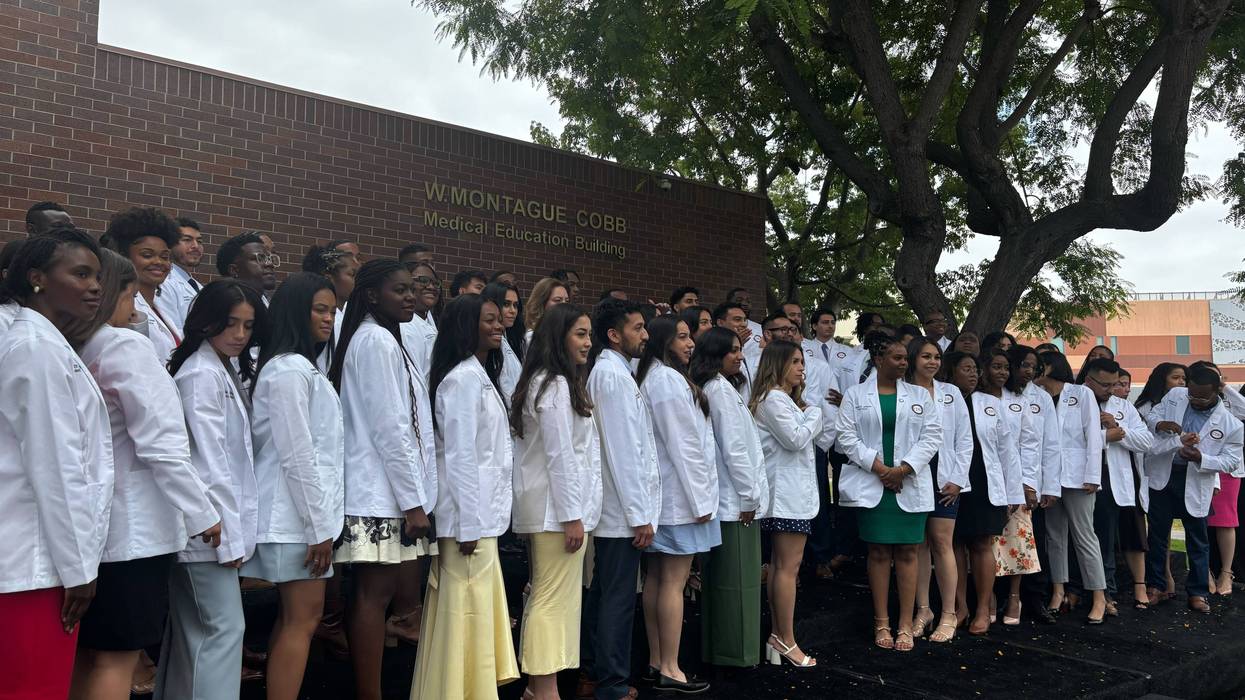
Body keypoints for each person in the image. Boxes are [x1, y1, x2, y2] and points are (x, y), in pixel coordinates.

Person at [70, 250, 221, 700]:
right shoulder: (123, 346)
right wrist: (202, 512)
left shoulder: (77, 345)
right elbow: (162, 443)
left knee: (88, 654)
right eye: (132, 296)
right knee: (117, 658)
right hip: (136, 529)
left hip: (94, 523)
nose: (136, 309)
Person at [0, 230, 111, 700]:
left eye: (98, 276)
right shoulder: (35, 348)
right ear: (37, 278)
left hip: (38, 558)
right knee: (32, 690)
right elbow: (57, 467)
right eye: (80, 274)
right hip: (35, 564)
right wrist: (79, 568)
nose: (95, 287)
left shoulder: (43, 342)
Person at [327, 261, 435, 700]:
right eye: (400, 290)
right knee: (373, 596)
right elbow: (391, 427)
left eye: (413, 289)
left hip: (384, 488)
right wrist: (413, 501)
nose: (410, 297)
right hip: (378, 491)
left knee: (377, 594)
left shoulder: (383, 337)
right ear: (372, 295)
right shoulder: (374, 340)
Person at [157, 280, 267, 700]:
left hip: (211, 526)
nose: (240, 334)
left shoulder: (218, 368)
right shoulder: (201, 374)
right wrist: (230, 536)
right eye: (230, 324)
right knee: (222, 631)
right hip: (209, 529)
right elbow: (209, 462)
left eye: (248, 326)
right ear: (206, 322)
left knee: (197, 633)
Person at [243, 273, 345, 700]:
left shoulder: (302, 367)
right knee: (302, 619)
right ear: (294, 312)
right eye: (319, 309)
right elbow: (297, 454)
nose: (328, 318)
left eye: (332, 310)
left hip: (301, 517)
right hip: (294, 519)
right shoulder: (288, 369)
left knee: (296, 620)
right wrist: (317, 527)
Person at [413, 294, 519, 697]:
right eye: (489, 319)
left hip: (480, 517)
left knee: (473, 612)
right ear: (465, 326)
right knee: (464, 613)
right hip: (466, 522)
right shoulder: (461, 380)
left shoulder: (477, 375)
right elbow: (460, 457)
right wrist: (469, 525)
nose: (499, 325)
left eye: (499, 318)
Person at [510, 303, 602, 700]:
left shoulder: (549, 382)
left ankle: (538, 689)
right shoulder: (554, 385)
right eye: (580, 334)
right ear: (557, 337)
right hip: (555, 512)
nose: (588, 342)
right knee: (550, 601)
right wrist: (572, 516)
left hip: (553, 509)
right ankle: (545, 690)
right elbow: (560, 455)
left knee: (549, 598)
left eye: (589, 334)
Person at [835, 335, 940, 651]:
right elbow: (846, 437)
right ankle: (881, 621)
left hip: (908, 483)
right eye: (897, 358)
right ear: (879, 360)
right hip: (873, 484)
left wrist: (902, 470)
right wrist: (881, 469)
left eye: (905, 358)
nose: (904, 363)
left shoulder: (919, 395)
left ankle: (905, 623)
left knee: (908, 552)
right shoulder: (855, 395)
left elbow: (932, 436)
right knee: (878, 553)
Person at [581, 299, 659, 700]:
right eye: (637, 328)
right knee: (617, 598)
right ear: (614, 335)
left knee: (604, 593)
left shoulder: (616, 373)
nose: (645, 335)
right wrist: (639, 514)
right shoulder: (611, 377)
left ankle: (594, 673)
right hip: (620, 513)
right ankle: (610, 682)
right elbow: (623, 451)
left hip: (620, 510)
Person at [636, 315, 717, 693]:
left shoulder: (654, 377)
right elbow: (684, 445)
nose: (690, 343)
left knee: (657, 578)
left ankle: (657, 661)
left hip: (666, 498)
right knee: (673, 582)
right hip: (680, 500)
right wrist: (701, 500)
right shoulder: (666, 380)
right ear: (664, 341)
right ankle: (671, 667)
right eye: (682, 337)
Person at [689, 327, 767, 668]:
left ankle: (720, 650)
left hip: (731, 501)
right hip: (736, 505)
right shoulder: (719, 390)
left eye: (740, 349)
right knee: (738, 583)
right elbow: (734, 449)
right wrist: (750, 497)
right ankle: (736, 655)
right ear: (715, 353)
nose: (740, 355)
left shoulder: (718, 387)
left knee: (725, 582)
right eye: (732, 350)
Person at [1144, 364, 1244, 613]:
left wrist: (1201, 458)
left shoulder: (1231, 424)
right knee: (1157, 535)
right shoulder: (1176, 395)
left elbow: (1231, 461)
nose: (1195, 400)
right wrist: (1161, 424)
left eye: (1202, 397)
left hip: (1196, 479)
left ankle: (1198, 592)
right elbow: (1152, 415)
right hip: (1164, 475)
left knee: (1198, 539)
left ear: (1216, 392)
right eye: (1192, 395)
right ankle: (1156, 586)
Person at [750, 340, 821, 667]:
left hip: (788, 495)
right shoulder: (774, 400)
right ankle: (785, 639)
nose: (801, 368)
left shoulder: (779, 400)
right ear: (777, 364)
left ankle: (779, 636)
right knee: (787, 569)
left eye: (802, 361)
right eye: (794, 361)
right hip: (786, 497)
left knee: (781, 568)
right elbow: (795, 439)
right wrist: (815, 414)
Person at [1035, 350, 1108, 623]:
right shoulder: (1037, 396)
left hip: (1079, 477)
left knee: (1084, 536)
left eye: (1037, 365)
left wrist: (1093, 475)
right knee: (1054, 536)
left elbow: (1093, 435)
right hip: (1050, 478)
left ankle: (1099, 596)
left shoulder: (1081, 393)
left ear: (1049, 367)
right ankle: (1058, 590)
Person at [956, 348, 1023, 635]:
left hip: (984, 480)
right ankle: (959, 607)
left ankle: (984, 609)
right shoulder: (944, 400)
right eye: (966, 369)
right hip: (952, 481)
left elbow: (1008, 450)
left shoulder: (989, 403)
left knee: (982, 544)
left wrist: (1013, 492)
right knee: (953, 545)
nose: (973, 374)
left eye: (975, 369)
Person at [908, 341, 971, 643]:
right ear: (913, 359)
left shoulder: (951, 393)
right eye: (925, 356)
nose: (932, 362)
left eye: (936, 357)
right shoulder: (902, 391)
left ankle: (949, 613)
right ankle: (924, 610)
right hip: (913, 477)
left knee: (943, 543)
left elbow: (964, 439)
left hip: (945, 479)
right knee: (917, 544)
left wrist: (958, 479)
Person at [1080, 358, 1152, 615]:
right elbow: (1067, 440)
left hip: (1116, 479)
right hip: (1085, 478)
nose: (1111, 390)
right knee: (1097, 537)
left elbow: (1146, 441)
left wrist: (1116, 430)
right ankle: (1101, 592)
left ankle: (1108, 592)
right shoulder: (1074, 401)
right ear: (1089, 381)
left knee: (1110, 536)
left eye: (1115, 384)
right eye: (1106, 385)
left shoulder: (1123, 406)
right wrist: (1104, 437)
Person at [1004, 345, 1062, 625]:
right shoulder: (997, 394)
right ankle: (1002, 598)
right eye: (1023, 365)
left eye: (1032, 366)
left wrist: (1049, 486)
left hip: (1033, 484)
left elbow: (1051, 444)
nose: (1027, 371)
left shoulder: (1042, 398)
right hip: (1003, 481)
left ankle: (1035, 598)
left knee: (1034, 541)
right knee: (1001, 542)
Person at [1135, 362, 1187, 600]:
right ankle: (1157, 582)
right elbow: (1150, 447)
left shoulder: (1191, 405)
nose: (1181, 383)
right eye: (1175, 377)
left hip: (1188, 474)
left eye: (1184, 378)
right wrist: (1178, 441)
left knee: (1196, 530)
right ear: (1161, 379)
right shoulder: (1146, 408)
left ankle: (1198, 584)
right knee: (1158, 532)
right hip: (1158, 476)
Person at [104, 207, 183, 362]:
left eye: (165, 257)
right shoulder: (121, 308)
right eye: (147, 255)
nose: (158, 262)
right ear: (125, 257)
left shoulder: (161, 307)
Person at [301, 245, 357, 373]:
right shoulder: (327, 321)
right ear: (329, 278)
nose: (356, 281)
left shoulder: (344, 316)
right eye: (352, 275)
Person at [156, 217, 206, 332]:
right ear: (170, 245)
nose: (196, 246)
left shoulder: (197, 286)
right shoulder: (163, 281)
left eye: (199, 241)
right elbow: (172, 331)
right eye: (187, 240)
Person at [398, 262, 441, 381]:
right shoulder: (406, 328)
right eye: (423, 280)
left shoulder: (427, 319)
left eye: (435, 283)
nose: (431, 287)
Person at [484, 281, 525, 403]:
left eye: (515, 305)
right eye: (506, 304)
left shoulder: (511, 338)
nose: (513, 311)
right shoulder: (487, 341)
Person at [216, 231, 277, 303]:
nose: (270, 264)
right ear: (234, 270)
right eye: (259, 258)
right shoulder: (224, 304)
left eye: (269, 258)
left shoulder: (269, 303)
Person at [525, 277, 570, 341]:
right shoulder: (532, 336)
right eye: (557, 300)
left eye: (567, 301)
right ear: (541, 303)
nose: (564, 305)